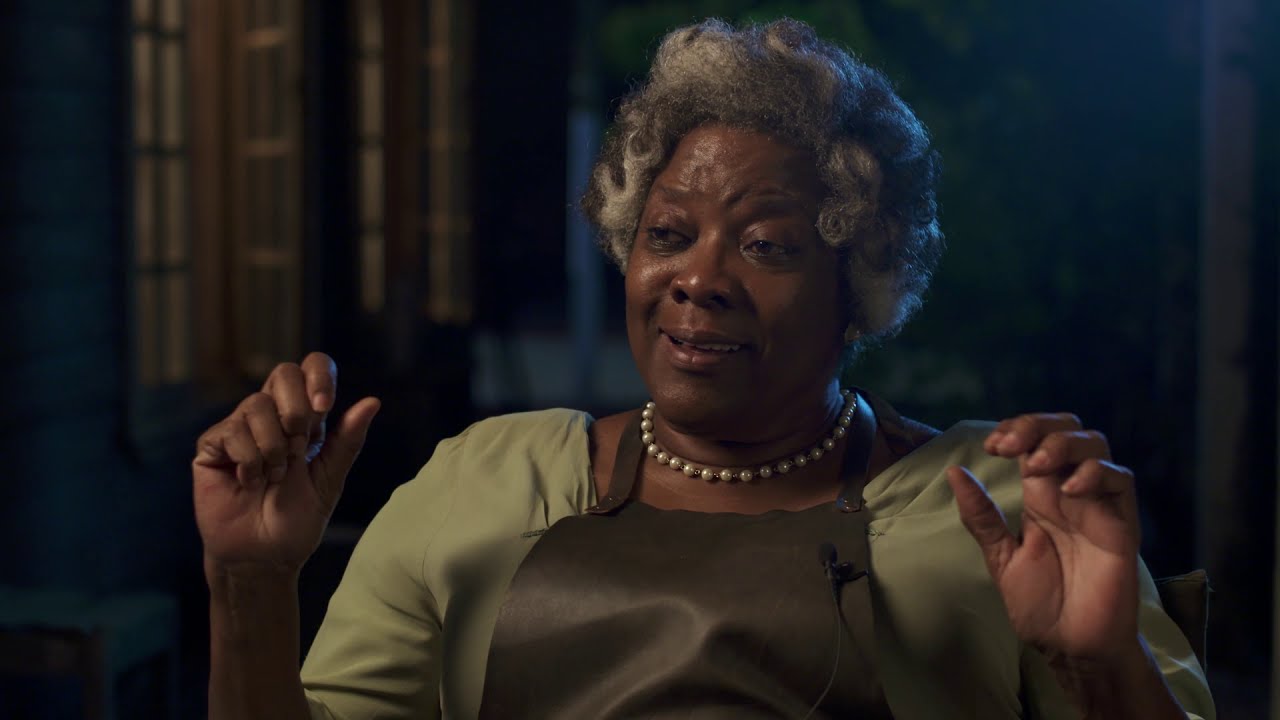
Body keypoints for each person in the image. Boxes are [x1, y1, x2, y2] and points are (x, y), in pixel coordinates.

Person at [193, 18, 1215, 720]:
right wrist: (249, 583)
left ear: (858, 281)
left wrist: (1102, 664)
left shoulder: (1000, 510)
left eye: (766, 245)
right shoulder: (486, 481)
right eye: (668, 234)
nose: (699, 280)